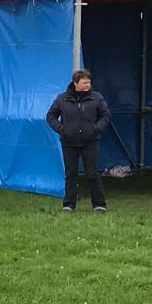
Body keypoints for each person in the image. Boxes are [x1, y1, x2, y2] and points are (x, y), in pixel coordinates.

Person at [45, 68, 111, 212]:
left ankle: (99, 204)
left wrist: (95, 128)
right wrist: (62, 130)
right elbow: (50, 116)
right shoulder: (62, 99)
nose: (88, 85)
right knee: (70, 174)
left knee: (92, 173)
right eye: (84, 82)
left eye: (89, 82)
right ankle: (68, 204)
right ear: (75, 83)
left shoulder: (97, 98)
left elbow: (105, 116)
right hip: (69, 142)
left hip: (90, 141)